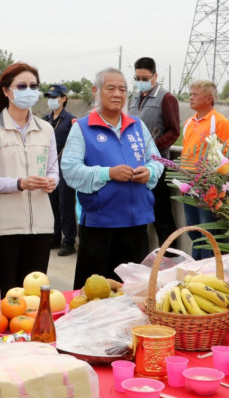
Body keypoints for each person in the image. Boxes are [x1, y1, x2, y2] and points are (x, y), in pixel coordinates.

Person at [62, 68, 162, 290]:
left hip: (137, 225)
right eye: (111, 88)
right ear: (96, 91)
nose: (118, 94)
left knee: (134, 294)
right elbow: (70, 170)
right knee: (95, 295)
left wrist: (149, 172)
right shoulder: (83, 127)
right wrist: (109, 173)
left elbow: (157, 160)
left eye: (123, 89)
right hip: (100, 226)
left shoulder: (137, 126)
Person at [0, 63, 58, 296]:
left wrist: (52, 181)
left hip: (41, 226)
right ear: (6, 91)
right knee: (6, 296)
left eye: (33, 86)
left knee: (34, 298)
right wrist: (19, 183)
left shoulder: (46, 129)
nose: (28, 90)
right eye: (21, 86)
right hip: (3, 228)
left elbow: (54, 171)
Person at [127, 57, 180, 249]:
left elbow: (174, 131)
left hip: (156, 165)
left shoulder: (166, 98)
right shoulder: (133, 97)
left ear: (155, 76)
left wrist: (153, 148)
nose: (141, 81)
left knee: (160, 212)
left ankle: (170, 254)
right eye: (137, 77)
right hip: (134, 163)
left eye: (145, 77)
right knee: (138, 210)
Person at [180, 79, 229, 259]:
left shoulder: (219, 122)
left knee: (208, 229)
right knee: (193, 229)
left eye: (195, 94)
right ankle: (196, 264)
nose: (191, 97)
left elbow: (226, 155)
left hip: (207, 183)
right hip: (188, 182)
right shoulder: (189, 122)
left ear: (209, 99)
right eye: (191, 94)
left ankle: (209, 269)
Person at [44, 83, 77, 256]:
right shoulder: (45, 119)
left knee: (65, 205)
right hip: (49, 167)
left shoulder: (71, 120)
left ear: (63, 99)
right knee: (52, 204)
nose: (51, 100)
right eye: (49, 97)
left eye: (54, 97)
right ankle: (55, 236)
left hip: (65, 167)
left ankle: (69, 240)